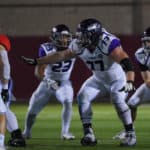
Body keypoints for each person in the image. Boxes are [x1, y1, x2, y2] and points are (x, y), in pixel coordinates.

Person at [21, 18, 136, 146]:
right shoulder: (79, 44)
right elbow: (61, 55)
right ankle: (88, 133)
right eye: (80, 35)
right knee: (82, 96)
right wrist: (38, 61)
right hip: (98, 79)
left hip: (117, 79)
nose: (80, 39)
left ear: (94, 35)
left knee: (117, 99)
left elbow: (126, 61)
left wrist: (130, 80)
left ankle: (130, 134)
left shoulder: (108, 42)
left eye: (84, 36)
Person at [22, 24, 76, 140]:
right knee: (32, 110)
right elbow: (38, 71)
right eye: (61, 37)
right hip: (47, 82)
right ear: (54, 37)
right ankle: (26, 132)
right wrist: (47, 81)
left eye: (66, 37)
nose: (64, 39)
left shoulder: (74, 47)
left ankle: (65, 132)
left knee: (67, 102)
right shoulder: (46, 48)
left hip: (64, 82)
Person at [113, 27, 150, 140]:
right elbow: (147, 80)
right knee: (132, 103)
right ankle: (128, 130)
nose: (146, 44)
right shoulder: (141, 54)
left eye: (149, 41)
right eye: (145, 41)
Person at [0, 34, 26, 148]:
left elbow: (5, 63)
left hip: (3, 81)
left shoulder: (1, 43)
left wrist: (5, 88)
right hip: (4, 80)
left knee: (3, 110)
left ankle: (16, 136)